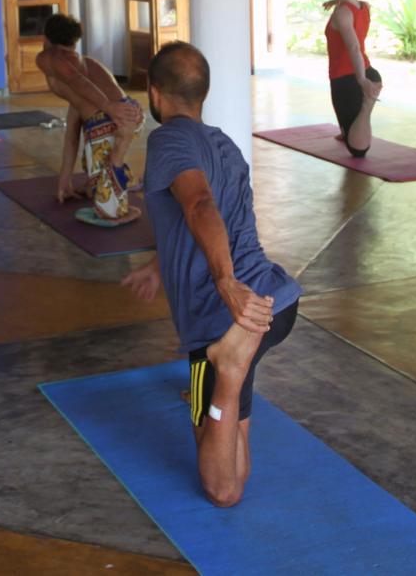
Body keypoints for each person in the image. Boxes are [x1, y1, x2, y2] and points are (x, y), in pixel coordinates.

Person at [123, 41, 301, 506]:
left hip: (223, 319)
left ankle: (226, 368)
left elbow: (200, 204)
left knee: (222, 490)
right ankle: (234, 365)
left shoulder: (167, 139)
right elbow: (217, 221)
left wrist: (226, 285)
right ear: (202, 95)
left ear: (154, 92)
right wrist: (159, 266)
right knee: (233, 434)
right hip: (273, 304)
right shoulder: (225, 147)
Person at [36, 13, 144, 225]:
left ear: (46, 38)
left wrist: (108, 107)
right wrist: (64, 179)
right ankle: (101, 175)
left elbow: (76, 79)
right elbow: (72, 134)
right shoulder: (89, 64)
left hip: (110, 119)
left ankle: (119, 207)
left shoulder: (48, 57)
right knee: (91, 149)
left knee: (107, 213)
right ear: (75, 42)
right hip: (131, 112)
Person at [323, 0, 382, 157]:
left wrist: (361, 80)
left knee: (357, 149)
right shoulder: (364, 7)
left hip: (348, 80)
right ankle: (353, 122)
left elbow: (354, 48)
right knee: (348, 123)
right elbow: (351, 8)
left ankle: (365, 107)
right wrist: (336, 0)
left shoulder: (341, 14)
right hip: (367, 71)